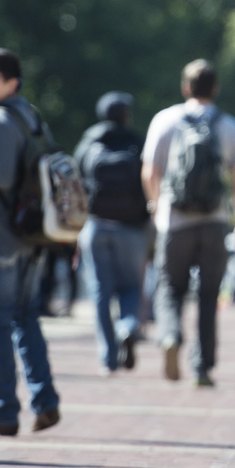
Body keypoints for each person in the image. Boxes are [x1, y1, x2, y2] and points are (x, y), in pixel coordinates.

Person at [0, 49, 62, 435]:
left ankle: (2, 411)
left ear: (10, 83)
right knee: (25, 319)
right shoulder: (30, 116)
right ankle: (45, 400)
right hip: (31, 235)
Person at [142, 60, 235, 388]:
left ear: (185, 88)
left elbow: (150, 172)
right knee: (208, 296)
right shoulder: (230, 126)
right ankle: (202, 368)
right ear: (215, 88)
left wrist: (155, 207)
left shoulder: (165, 120)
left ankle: (169, 335)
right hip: (214, 221)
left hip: (174, 221)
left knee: (169, 288)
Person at [75, 91, 151, 374]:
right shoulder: (137, 142)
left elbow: (74, 183)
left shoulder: (88, 143)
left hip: (95, 226)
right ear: (126, 115)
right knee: (132, 287)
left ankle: (108, 357)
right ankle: (128, 326)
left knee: (100, 292)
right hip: (131, 228)